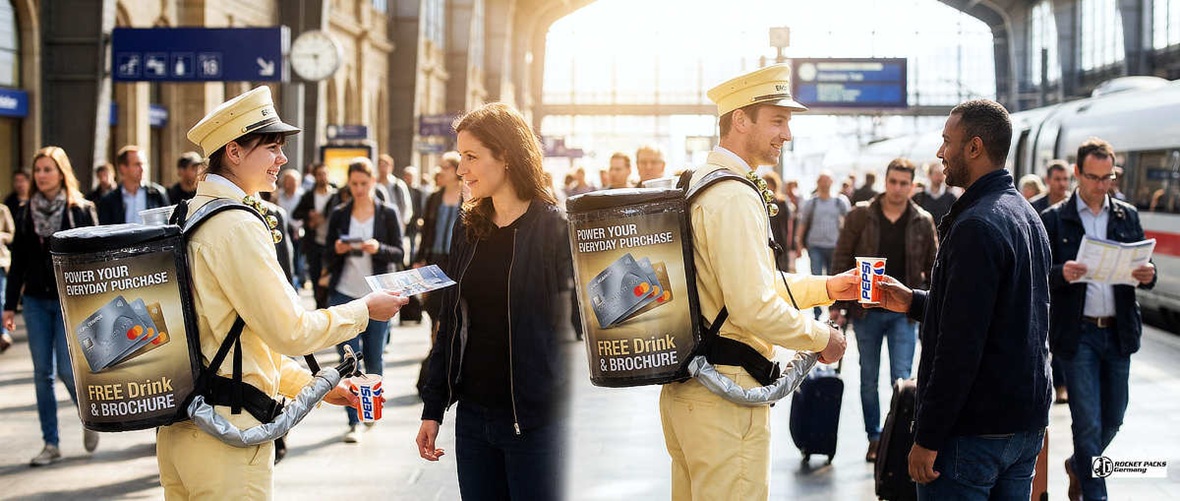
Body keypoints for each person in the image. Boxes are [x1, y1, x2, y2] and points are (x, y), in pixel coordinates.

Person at [156, 86, 408, 499]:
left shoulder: (189, 213)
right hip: (227, 436)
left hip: (184, 431)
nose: (283, 158)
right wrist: (365, 310)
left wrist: (318, 385)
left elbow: (240, 339)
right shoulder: (237, 224)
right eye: (271, 146)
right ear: (233, 152)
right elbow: (289, 330)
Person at [658, 64, 853, 500]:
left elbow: (747, 283)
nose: (786, 134)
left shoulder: (698, 184)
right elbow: (753, 306)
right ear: (740, 120)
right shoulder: (734, 195)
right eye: (778, 120)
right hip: (728, 396)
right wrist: (822, 336)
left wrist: (827, 287)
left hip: (690, 394)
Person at [874, 99, 1051, 499]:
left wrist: (928, 436)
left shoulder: (975, 225)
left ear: (973, 147)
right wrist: (916, 302)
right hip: (1023, 425)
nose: (940, 153)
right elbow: (1003, 311)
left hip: (973, 431)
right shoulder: (1025, 215)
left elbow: (960, 345)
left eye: (946, 141)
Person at [416, 102, 573, 500]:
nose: (461, 169)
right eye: (461, 156)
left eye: (471, 157)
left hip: (534, 422)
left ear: (505, 157)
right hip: (473, 419)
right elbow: (450, 324)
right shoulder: (469, 228)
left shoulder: (553, 227)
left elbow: (572, 326)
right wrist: (433, 408)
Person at [1039, 137, 1157, 501]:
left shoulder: (1126, 215)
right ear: (1077, 173)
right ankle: (1095, 495)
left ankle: (1079, 465)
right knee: (1087, 423)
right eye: (1094, 177)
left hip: (1118, 331)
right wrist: (1062, 273)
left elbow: (1145, 269)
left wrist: (1147, 274)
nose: (1102, 186)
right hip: (1079, 334)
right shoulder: (1055, 219)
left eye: (1109, 178)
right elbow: (1037, 276)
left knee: (1114, 417)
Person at [831, 158, 937, 463]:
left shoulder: (922, 219)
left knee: (901, 378)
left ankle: (897, 439)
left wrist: (931, 304)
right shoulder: (862, 215)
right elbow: (841, 257)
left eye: (904, 183)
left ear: (912, 186)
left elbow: (933, 266)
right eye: (893, 182)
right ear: (885, 181)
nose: (898, 188)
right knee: (868, 377)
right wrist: (839, 303)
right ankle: (875, 437)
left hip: (905, 312)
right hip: (867, 310)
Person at [3, 146, 101, 465]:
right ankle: (51, 443)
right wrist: (7, 306)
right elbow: (17, 262)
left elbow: (94, 258)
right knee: (41, 373)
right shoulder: (23, 210)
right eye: (38, 170)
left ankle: (89, 418)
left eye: (48, 169)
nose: (42, 176)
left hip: (67, 302)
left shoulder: (81, 209)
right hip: (33, 301)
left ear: (61, 172)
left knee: (67, 371)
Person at [324, 158, 404, 443]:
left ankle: (371, 409)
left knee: (373, 356)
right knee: (348, 359)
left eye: (364, 183)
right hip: (345, 293)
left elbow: (399, 253)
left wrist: (377, 247)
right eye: (354, 184)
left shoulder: (387, 213)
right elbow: (327, 256)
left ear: (373, 182)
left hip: (377, 297)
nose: (359, 189)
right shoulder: (339, 213)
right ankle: (354, 419)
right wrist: (337, 249)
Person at [795, 170, 851, 318]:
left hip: (835, 246)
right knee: (816, 278)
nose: (825, 184)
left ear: (832, 183)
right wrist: (798, 242)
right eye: (822, 181)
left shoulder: (840, 202)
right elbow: (803, 223)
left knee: (835, 278)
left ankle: (834, 309)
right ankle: (817, 311)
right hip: (815, 246)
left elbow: (849, 224)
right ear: (818, 183)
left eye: (827, 181)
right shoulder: (811, 203)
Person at [292, 163, 338, 307]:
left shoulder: (335, 195)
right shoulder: (309, 195)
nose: (322, 177)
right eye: (319, 174)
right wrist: (309, 216)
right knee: (316, 276)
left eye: (324, 174)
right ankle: (320, 306)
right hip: (314, 244)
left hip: (332, 244)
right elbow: (296, 213)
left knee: (332, 278)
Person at [97, 145, 170, 225]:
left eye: (144, 164)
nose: (142, 169)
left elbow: (168, 226)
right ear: (123, 168)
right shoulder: (108, 200)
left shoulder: (157, 194)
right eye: (137, 164)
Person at [761, 171, 794, 272]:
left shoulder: (782, 202)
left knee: (781, 271)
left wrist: (790, 244)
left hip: (780, 241)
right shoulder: (759, 201)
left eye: (769, 183)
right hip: (764, 240)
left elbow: (787, 225)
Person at [911, 161, 956, 225]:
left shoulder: (951, 198)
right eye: (937, 174)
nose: (940, 177)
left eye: (942, 174)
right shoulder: (919, 197)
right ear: (929, 175)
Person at [0, 203, 11, 353]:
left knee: (0, 298)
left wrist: (1, 236)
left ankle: (3, 333)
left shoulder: (2, 210)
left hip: (0, 261)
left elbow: (12, 234)